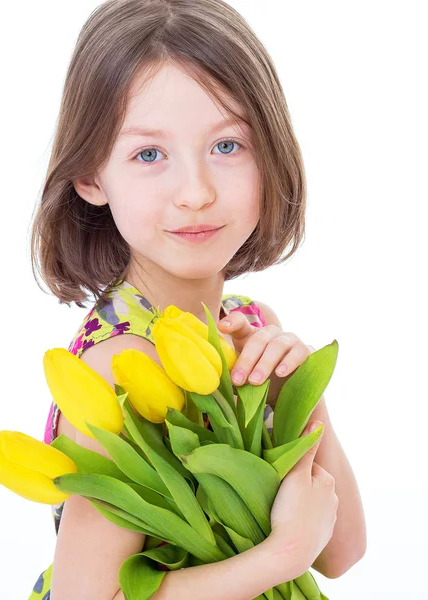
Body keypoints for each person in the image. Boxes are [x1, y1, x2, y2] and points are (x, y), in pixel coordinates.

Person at [27, 1, 349, 598]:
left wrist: (300, 390)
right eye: (149, 154)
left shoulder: (253, 326)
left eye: (228, 146)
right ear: (91, 176)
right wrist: (280, 556)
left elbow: (341, 553)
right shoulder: (120, 364)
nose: (196, 192)